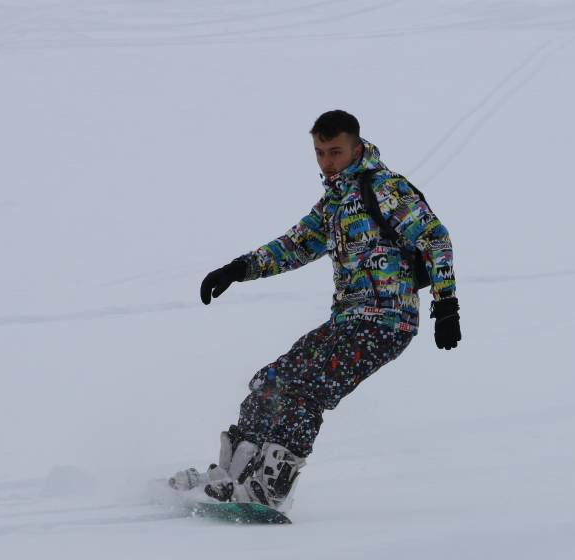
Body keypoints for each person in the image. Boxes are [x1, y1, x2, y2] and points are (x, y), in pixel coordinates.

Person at [169, 109, 460, 511]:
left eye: (336, 152)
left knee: (307, 390)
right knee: (271, 381)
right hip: (347, 319)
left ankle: (270, 490)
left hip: (388, 322)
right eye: (320, 153)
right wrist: (237, 269)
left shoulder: (386, 189)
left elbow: (435, 238)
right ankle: (232, 476)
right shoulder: (334, 202)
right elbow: (295, 244)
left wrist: (446, 306)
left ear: (357, 147)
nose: (327, 162)